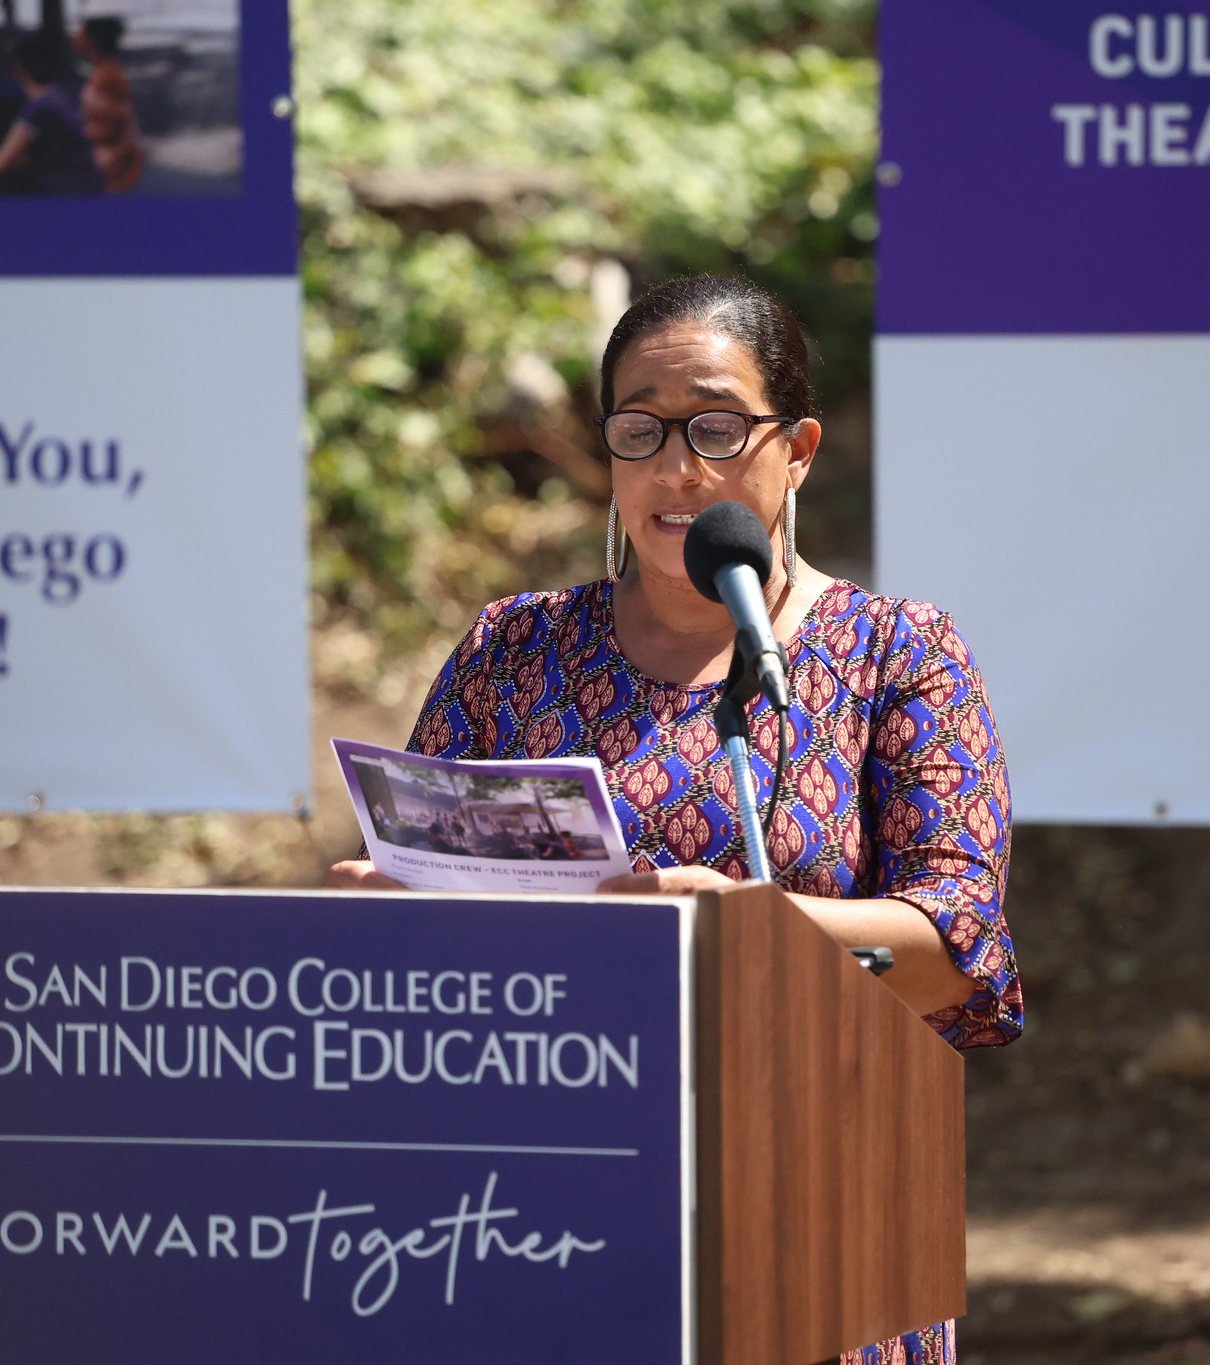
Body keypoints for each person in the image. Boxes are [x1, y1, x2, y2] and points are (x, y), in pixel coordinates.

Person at [326, 274, 1020, 1365]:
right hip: (545, 1212)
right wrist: (388, 910)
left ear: (795, 448)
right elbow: (426, 915)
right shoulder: (514, 648)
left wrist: (734, 926)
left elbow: (955, 960)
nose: (674, 468)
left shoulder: (901, 655)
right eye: (637, 429)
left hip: (817, 1216)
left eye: (713, 426)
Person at [0, 31, 100, 195]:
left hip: (68, 195)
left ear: (18, 68)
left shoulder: (39, 107)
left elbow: (0, 163)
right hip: (85, 188)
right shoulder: (55, 96)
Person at [73, 15, 139, 192]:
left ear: (92, 41)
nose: (75, 39)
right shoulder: (108, 72)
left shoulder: (106, 77)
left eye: (81, 34)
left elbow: (106, 127)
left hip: (109, 169)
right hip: (110, 165)